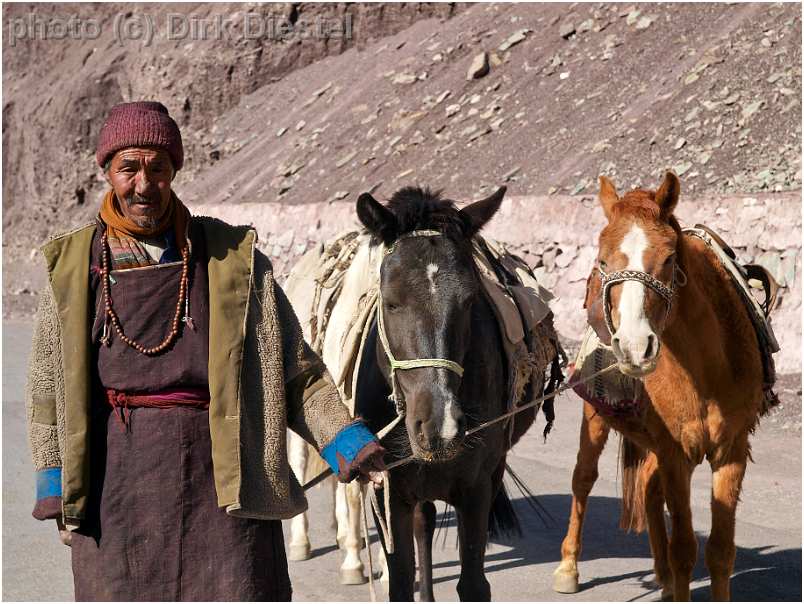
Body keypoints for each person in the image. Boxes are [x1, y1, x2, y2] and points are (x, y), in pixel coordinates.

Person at [25, 100, 384, 601]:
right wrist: (54, 484)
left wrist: (345, 441)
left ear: (175, 171)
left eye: (158, 168)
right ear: (107, 172)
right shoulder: (70, 267)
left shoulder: (232, 260)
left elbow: (296, 370)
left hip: (225, 474)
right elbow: (46, 387)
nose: (144, 185)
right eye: (129, 168)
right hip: (115, 480)